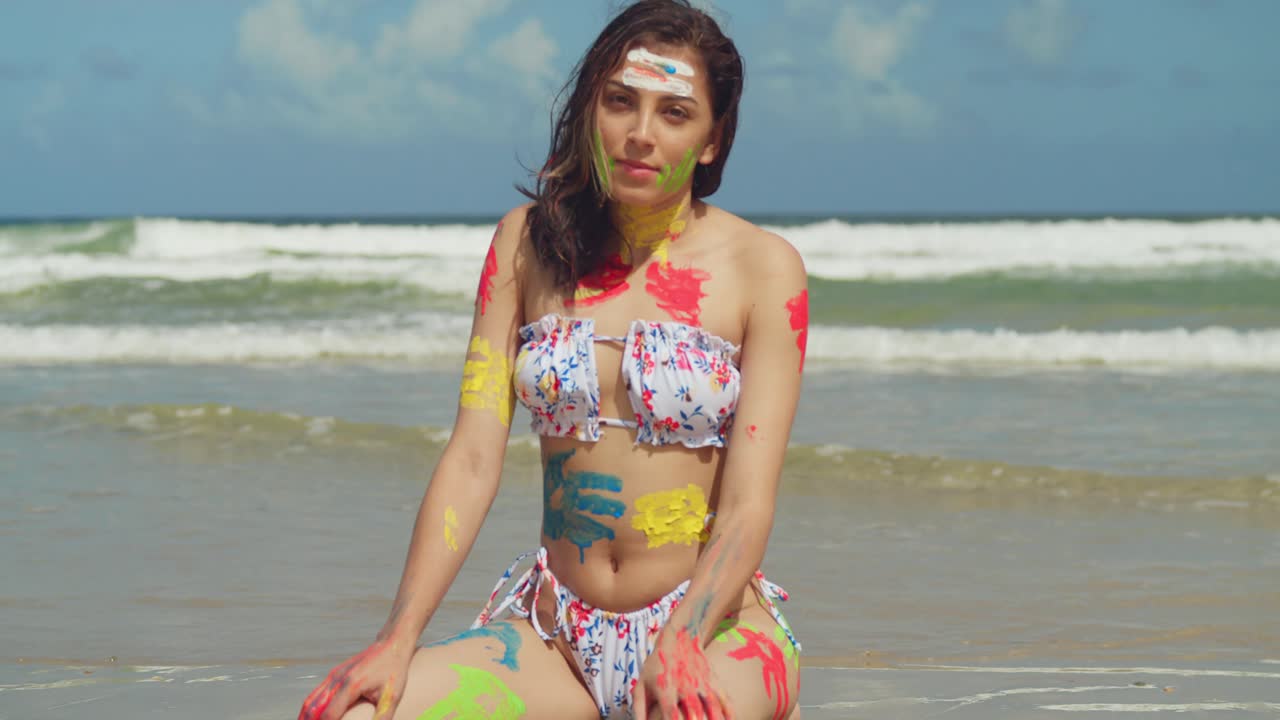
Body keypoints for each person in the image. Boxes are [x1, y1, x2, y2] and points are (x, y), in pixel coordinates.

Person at [299, 1, 807, 718]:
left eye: (674, 113)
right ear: (589, 107)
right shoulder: (525, 246)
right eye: (621, 101)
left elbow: (749, 504)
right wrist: (397, 637)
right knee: (359, 713)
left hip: (715, 629)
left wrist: (685, 636)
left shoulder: (764, 269)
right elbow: (473, 460)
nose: (639, 134)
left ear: (712, 140)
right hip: (555, 638)